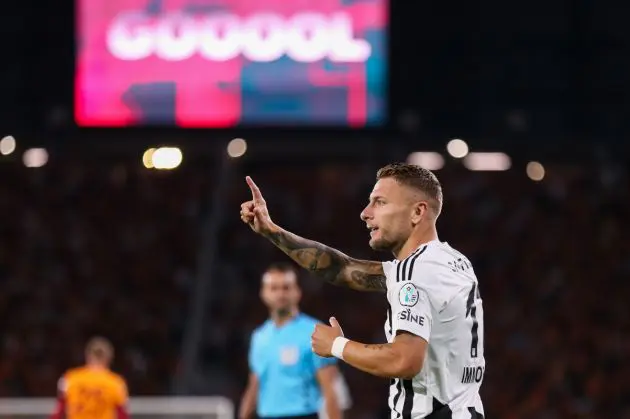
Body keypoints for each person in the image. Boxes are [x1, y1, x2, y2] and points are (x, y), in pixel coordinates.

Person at [240, 163, 485, 419]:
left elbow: (405, 360)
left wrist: (336, 345)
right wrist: (272, 231)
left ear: (417, 212)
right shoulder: (454, 261)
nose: (365, 213)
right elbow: (343, 269)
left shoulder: (414, 271)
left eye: (380, 202)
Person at [239, 263, 343, 419]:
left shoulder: (316, 332)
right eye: (274, 288)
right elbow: (254, 387)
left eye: (286, 288)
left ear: (297, 292)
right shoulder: (259, 337)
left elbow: (331, 391)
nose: (280, 294)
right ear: (263, 293)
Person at [50, 337, 129, 419]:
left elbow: (59, 412)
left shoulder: (70, 378)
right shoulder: (116, 383)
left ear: (87, 356)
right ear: (109, 358)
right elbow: (122, 415)